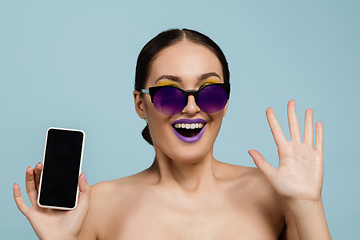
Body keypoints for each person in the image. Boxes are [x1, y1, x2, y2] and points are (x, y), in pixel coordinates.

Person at [13, 28, 332, 239]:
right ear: (140, 103)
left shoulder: (276, 194)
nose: (192, 107)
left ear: (225, 103)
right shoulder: (97, 205)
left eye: (209, 92)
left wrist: (308, 203)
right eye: (169, 93)